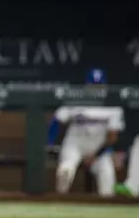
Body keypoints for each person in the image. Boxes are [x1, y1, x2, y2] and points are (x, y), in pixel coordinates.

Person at [50, 69, 122, 197]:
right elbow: (58, 119)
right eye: (93, 86)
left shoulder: (113, 105)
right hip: (75, 145)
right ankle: (59, 201)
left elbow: (112, 136)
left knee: (107, 176)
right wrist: (50, 143)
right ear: (86, 86)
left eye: (99, 86)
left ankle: (107, 212)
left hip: (98, 150)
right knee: (65, 171)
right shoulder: (77, 99)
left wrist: (96, 155)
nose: (96, 89)